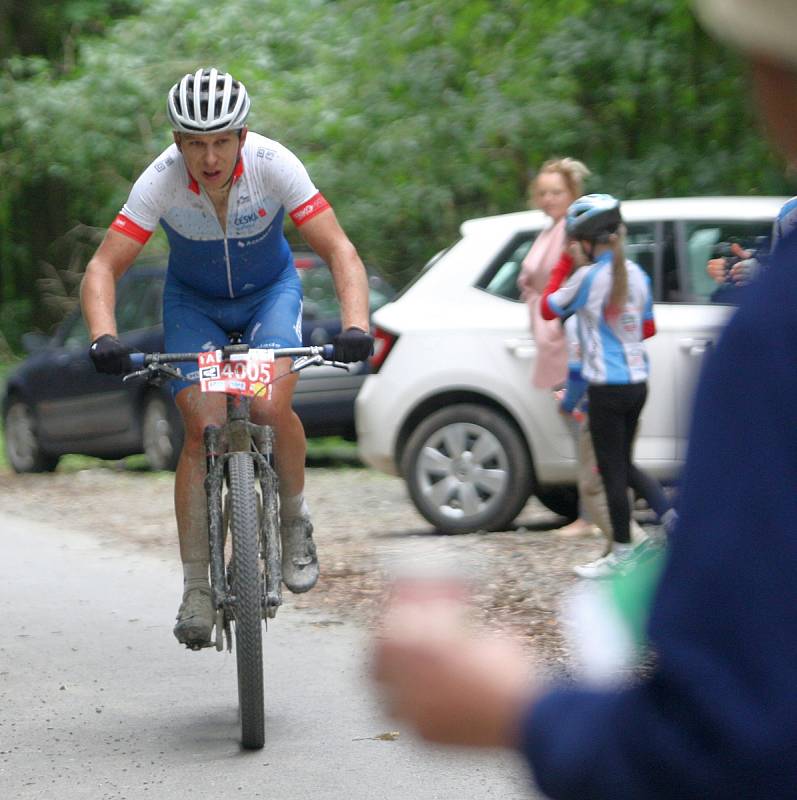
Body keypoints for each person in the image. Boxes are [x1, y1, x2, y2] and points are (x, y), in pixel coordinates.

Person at [372, 1, 797, 795]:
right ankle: (639, 533)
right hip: (616, 373)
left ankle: (635, 538)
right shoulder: (636, 272)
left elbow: (738, 743)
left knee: (606, 461)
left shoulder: (772, 329)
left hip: (606, 376)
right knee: (607, 463)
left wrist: (518, 711)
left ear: (768, 70)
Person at [81, 68, 373, 647]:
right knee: (202, 424)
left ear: (242, 135)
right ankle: (195, 586)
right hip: (195, 305)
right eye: (195, 143)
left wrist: (357, 324)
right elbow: (101, 267)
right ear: (177, 142)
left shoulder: (274, 164)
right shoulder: (160, 181)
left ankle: (293, 521)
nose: (209, 157)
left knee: (267, 407)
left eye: (220, 141)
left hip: (270, 295)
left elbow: (340, 249)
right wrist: (103, 334)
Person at [540, 195, 673, 578]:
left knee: (611, 472)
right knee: (622, 465)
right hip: (637, 383)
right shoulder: (638, 274)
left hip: (606, 388)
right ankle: (669, 517)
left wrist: (564, 264)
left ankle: (623, 552)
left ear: (585, 240)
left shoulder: (586, 278)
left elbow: (548, 308)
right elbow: (647, 328)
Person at [517, 157, 598, 538]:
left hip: (567, 341)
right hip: (549, 339)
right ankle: (590, 510)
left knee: (585, 428)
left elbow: (576, 289)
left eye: (558, 192)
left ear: (573, 193)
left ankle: (591, 513)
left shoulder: (572, 233)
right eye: (544, 192)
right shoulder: (549, 229)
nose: (549, 199)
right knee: (576, 427)